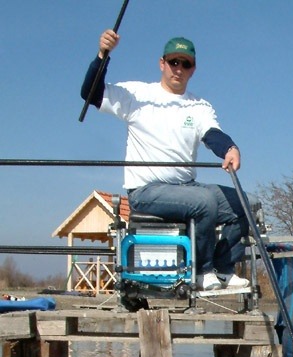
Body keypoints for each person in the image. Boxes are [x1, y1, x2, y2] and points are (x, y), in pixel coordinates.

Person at [81, 30, 249, 291]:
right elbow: (90, 94)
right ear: (162, 64)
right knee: (204, 203)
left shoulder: (199, 106)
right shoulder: (136, 94)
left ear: (193, 69)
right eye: (173, 62)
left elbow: (212, 134)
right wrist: (103, 55)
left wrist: (230, 148)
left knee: (244, 202)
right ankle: (202, 273)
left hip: (186, 187)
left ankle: (223, 268)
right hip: (147, 190)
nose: (178, 69)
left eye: (185, 64)